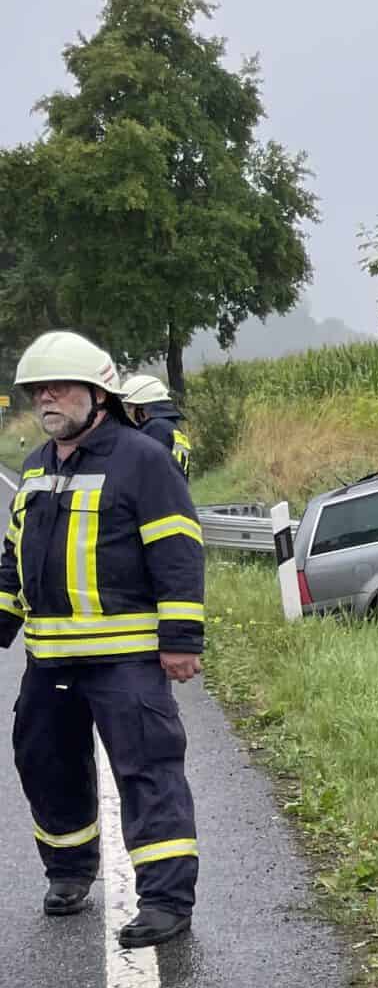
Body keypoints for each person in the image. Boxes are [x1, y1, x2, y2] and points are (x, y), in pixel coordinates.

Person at [0, 331, 206, 947]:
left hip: (126, 660)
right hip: (49, 660)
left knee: (148, 773)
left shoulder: (142, 460)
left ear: (99, 394)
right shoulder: (37, 466)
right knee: (45, 763)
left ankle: (166, 902)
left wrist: (181, 639)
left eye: (59, 387)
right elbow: (14, 559)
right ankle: (69, 871)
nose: (47, 399)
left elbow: (177, 550)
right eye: (38, 390)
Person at [117, 370, 193, 476]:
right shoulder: (171, 428)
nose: (128, 412)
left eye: (130, 407)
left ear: (143, 408)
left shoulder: (156, 429)